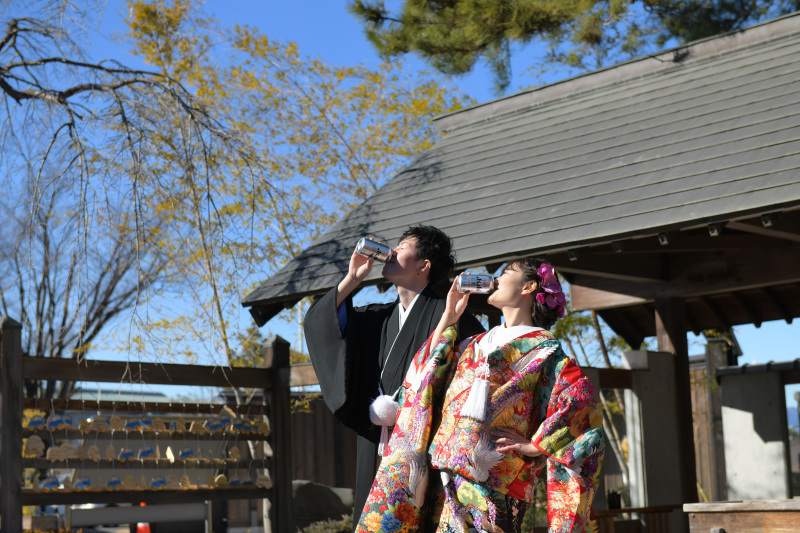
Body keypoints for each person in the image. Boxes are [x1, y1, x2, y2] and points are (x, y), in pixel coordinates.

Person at [356, 258, 605, 533]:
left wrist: (536, 445)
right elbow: (429, 369)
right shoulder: (473, 342)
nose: (496, 279)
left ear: (529, 287)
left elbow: (581, 404)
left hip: (497, 479)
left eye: (506, 272)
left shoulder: (546, 350)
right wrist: (449, 314)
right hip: (443, 472)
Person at [304, 225, 485, 527]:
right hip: (377, 438)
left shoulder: (453, 316)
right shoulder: (378, 317)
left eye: (402, 247)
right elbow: (322, 325)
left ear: (423, 266)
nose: (392, 251)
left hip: (423, 442)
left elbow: (472, 382)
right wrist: (353, 278)